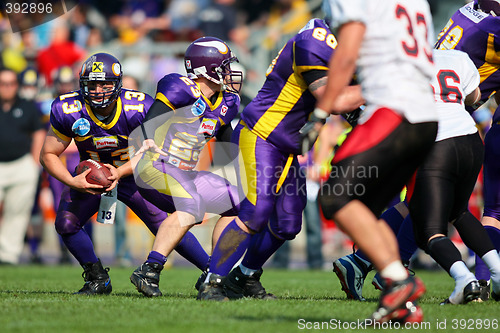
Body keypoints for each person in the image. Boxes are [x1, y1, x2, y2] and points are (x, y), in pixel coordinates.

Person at [196, 18, 364, 301]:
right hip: (261, 134)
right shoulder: (314, 41)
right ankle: (213, 281)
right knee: (255, 213)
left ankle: (245, 277)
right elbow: (332, 99)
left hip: (285, 146)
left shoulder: (339, 42)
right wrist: (381, 86)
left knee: (287, 223)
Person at [333, 49, 500, 305]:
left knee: (429, 229)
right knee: (460, 213)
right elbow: (474, 97)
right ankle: (497, 272)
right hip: (469, 139)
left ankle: (464, 280)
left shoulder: (400, 62)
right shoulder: (457, 57)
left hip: (434, 142)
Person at [39, 53, 210, 294]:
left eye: (105, 83)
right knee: (66, 224)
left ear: (117, 84)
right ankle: (97, 278)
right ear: (82, 84)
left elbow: (153, 150)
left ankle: (213, 272)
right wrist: (72, 181)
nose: (98, 90)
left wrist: (119, 172)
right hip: (93, 176)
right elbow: (48, 154)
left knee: (166, 225)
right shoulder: (69, 108)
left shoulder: (138, 107)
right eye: (92, 84)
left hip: (135, 174)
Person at [313, 0, 438, 323]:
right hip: (425, 113)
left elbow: (348, 52)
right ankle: (404, 307)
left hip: (392, 108)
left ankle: (399, 280)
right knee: (367, 210)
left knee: (334, 197)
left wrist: (319, 115)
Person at [129, 36, 243, 298]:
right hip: (155, 167)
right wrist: (146, 137)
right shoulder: (180, 87)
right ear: (207, 68)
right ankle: (150, 269)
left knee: (239, 203)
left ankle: (214, 274)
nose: (229, 73)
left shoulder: (227, 102)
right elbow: (150, 121)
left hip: (186, 173)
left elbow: (228, 150)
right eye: (224, 66)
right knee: (189, 203)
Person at [435, 0, 500, 301]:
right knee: (441, 210)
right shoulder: (492, 27)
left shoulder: (468, 14)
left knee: (466, 211)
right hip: (454, 120)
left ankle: (484, 281)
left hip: (442, 117)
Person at [0, 67, 45, 265]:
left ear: (16, 86)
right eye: (3, 83)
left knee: (17, 212)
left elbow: (38, 134)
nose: (7, 87)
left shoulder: (28, 106)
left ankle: (8, 255)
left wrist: (34, 163)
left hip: (21, 165)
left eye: (11, 83)